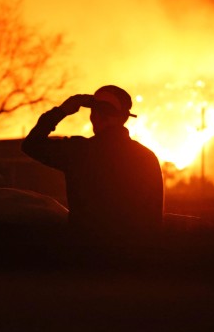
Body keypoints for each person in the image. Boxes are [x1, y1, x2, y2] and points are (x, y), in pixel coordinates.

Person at [22, 85, 164, 238]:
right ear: (124, 118)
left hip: (86, 249)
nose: (96, 116)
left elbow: (32, 145)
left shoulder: (80, 151)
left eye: (99, 112)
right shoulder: (147, 157)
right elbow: (154, 219)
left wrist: (62, 111)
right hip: (134, 250)